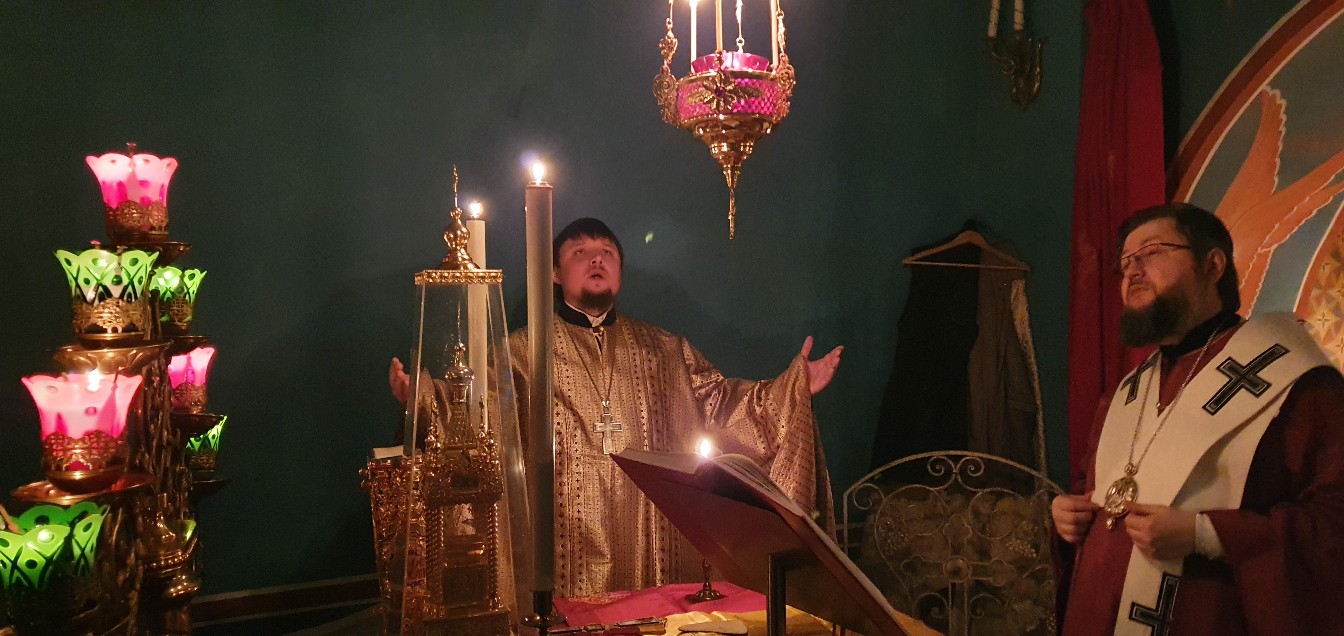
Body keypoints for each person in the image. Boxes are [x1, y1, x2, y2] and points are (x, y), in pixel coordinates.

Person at [391, 217, 843, 598]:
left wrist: (792, 388)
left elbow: (722, 403)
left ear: (620, 271)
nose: (596, 259)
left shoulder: (665, 350)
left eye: (607, 252)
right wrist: (426, 398)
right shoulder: (521, 354)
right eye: (580, 252)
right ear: (555, 274)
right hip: (564, 539)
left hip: (654, 536)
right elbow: (478, 411)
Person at [1052, 202, 1344, 634]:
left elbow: (1333, 522)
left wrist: (1205, 534)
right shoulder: (1126, 393)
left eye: (1151, 252)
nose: (1132, 271)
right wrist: (1071, 513)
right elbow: (1095, 489)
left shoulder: (1295, 381)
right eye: (1126, 262)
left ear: (1213, 265)